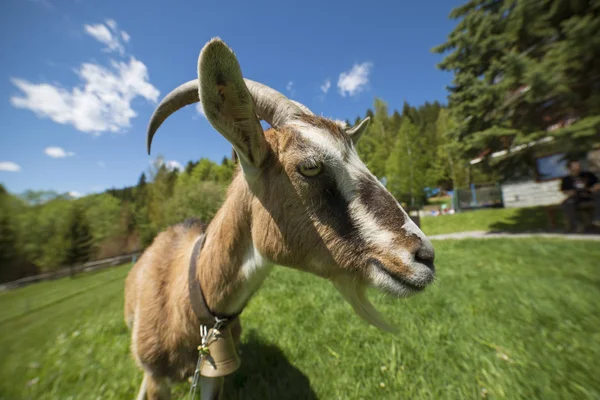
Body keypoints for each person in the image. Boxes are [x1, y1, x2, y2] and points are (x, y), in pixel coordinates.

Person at [560, 160, 600, 232]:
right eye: (575, 166)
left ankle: (597, 220)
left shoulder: (588, 174)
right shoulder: (566, 179)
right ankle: (576, 225)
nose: (578, 167)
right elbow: (564, 190)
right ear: (570, 168)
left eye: (578, 165)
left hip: (590, 194)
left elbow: (597, 184)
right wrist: (570, 192)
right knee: (566, 204)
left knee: (598, 196)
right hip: (576, 197)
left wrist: (595, 187)